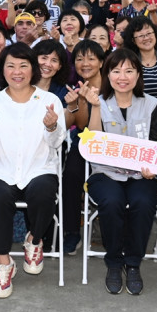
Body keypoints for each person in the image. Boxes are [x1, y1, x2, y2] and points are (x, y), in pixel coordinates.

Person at [0, 44, 64, 298]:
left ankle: (34, 240)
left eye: (23, 65)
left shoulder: (49, 101)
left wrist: (51, 127)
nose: (17, 71)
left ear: (33, 69)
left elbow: (56, 143)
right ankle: (4, 263)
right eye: (11, 66)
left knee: (45, 191)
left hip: (38, 166)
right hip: (1, 168)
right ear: (2, 70)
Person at [83, 48, 157, 295]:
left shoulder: (150, 104)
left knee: (142, 201)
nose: (123, 76)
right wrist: (95, 107)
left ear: (138, 74)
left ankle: (133, 263)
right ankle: (114, 262)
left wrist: (154, 167)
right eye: (116, 70)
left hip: (142, 174)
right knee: (112, 201)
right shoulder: (100, 102)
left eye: (129, 70)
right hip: (105, 173)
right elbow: (92, 144)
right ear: (107, 74)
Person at [62, 39, 106, 253]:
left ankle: (107, 229)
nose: (85, 63)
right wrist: (79, 100)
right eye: (79, 59)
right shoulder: (76, 89)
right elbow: (80, 125)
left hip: (110, 144)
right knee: (70, 175)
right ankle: (72, 232)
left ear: (101, 61)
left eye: (90, 58)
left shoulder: (115, 83)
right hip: (84, 142)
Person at [120, 17, 157, 99]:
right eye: (141, 35)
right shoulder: (129, 63)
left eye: (149, 33)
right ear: (133, 40)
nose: (146, 38)